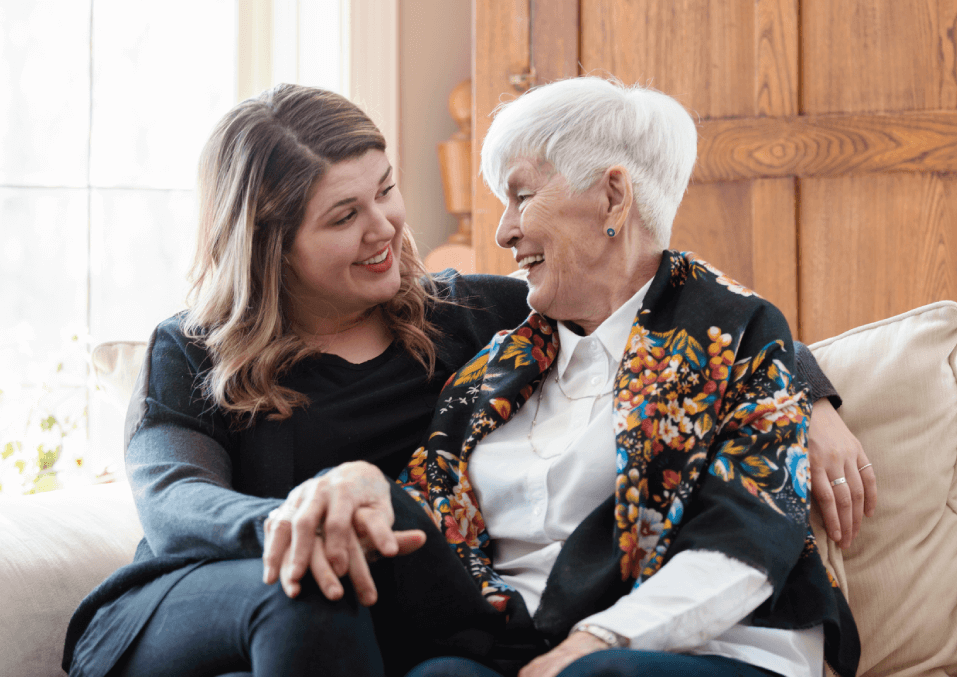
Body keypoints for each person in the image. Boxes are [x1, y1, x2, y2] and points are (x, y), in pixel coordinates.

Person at [62, 82, 867, 677]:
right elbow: (174, 502)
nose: (383, 228)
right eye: (343, 216)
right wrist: (307, 518)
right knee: (314, 580)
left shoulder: (462, 316)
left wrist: (806, 389)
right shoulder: (195, 344)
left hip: (369, 620)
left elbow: (651, 287)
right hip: (197, 593)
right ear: (270, 243)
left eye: (384, 191)